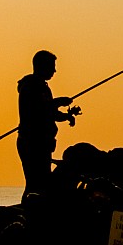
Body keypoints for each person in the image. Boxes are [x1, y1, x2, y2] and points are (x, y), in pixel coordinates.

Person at [15, 49, 76, 195]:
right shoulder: (30, 86)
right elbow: (39, 108)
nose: (54, 70)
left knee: (41, 182)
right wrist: (59, 102)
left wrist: (67, 116)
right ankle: (28, 213)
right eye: (51, 66)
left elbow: (50, 113)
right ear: (42, 66)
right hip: (32, 142)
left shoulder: (42, 87)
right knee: (35, 183)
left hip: (42, 143)